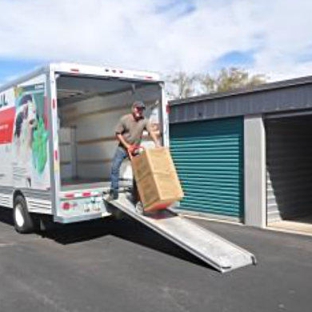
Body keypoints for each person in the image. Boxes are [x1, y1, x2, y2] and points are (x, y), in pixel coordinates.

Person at [108, 101, 160, 201]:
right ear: (133, 109)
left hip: (135, 150)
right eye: (137, 108)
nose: (139, 111)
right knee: (115, 168)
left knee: (138, 171)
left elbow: (151, 132)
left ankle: (137, 195)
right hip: (122, 148)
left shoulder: (144, 121)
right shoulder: (124, 119)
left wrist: (157, 143)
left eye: (141, 109)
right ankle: (114, 192)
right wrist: (127, 146)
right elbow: (118, 134)